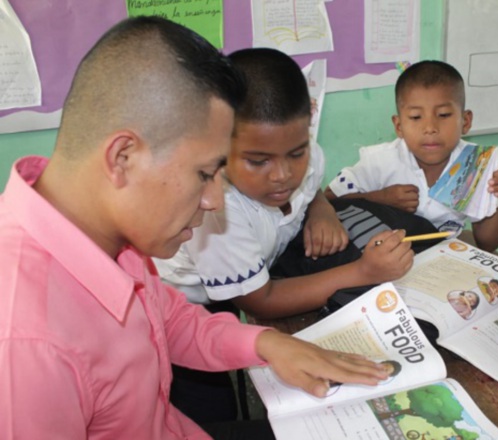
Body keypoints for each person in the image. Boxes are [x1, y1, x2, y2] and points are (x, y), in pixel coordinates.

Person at [0, 17, 388, 439]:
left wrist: (268, 344)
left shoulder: (105, 233)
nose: (214, 201)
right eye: (205, 174)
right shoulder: (24, 345)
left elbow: (170, 320)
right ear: (123, 157)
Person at [154, 47, 414, 322]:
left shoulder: (310, 155)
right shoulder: (216, 212)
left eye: (296, 153)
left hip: (245, 274)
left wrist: (320, 210)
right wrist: (364, 272)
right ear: (219, 145)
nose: (282, 175)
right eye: (258, 161)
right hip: (182, 307)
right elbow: (261, 301)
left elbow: (311, 187)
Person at [324, 60, 498, 252]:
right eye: (416, 117)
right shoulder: (379, 160)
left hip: (443, 260)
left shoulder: (475, 164)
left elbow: (488, 243)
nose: (430, 128)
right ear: (399, 126)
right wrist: (380, 198)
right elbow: (329, 199)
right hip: (383, 261)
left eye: (444, 114)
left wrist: (496, 196)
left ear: (465, 121)